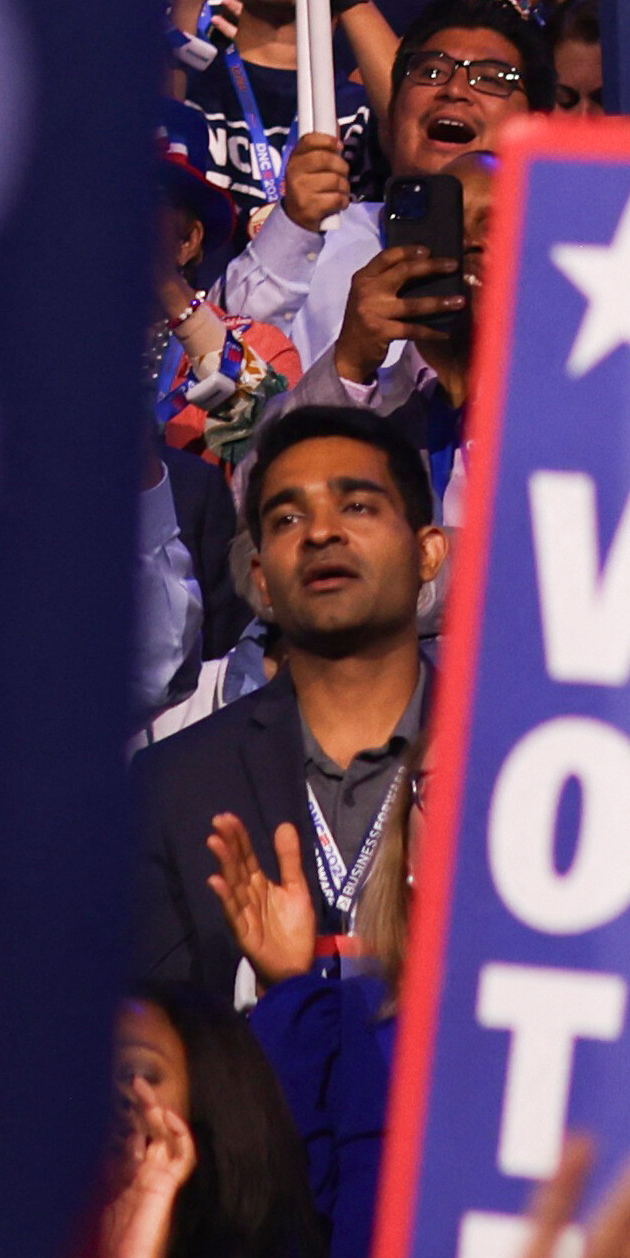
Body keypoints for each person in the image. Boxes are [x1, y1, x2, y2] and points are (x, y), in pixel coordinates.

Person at [132, 398, 430, 993]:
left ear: (429, 553)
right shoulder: (174, 785)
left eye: (358, 506)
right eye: (288, 520)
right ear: (262, 579)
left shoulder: (511, 762)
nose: (321, 532)